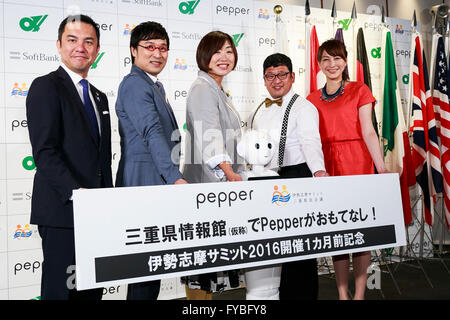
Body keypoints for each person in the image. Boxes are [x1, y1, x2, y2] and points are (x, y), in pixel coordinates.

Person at [26, 15, 112, 300]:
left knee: (91, 291)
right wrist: (78, 194)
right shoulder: (46, 86)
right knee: (61, 293)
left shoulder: (99, 96)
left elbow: (102, 160)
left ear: (96, 50)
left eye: (89, 42)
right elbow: (45, 152)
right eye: (72, 40)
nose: (81, 48)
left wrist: (105, 202)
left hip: (96, 213)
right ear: (59, 45)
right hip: (62, 211)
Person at [307, 39, 388, 300]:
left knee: (360, 233)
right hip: (327, 166)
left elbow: (368, 131)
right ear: (319, 64)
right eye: (326, 60)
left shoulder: (359, 90)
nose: (332, 64)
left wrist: (382, 169)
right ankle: (342, 293)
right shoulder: (310, 100)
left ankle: (360, 294)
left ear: (345, 61)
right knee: (337, 234)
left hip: (357, 163)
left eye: (337, 58)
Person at [115, 21, 187, 300]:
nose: (157, 53)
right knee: (144, 274)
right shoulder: (135, 84)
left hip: (153, 181)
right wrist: (173, 176)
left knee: (150, 272)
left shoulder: (153, 85)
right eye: (149, 46)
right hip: (143, 183)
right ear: (134, 50)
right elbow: (151, 131)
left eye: (163, 47)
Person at [249, 53, 328, 300]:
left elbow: (310, 141)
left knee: (301, 248)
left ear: (292, 77)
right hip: (268, 180)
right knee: (279, 244)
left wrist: (319, 171)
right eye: (270, 76)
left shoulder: (304, 107)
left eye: (282, 74)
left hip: (297, 176)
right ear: (264, 79)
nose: (276, 80)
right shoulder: (259, 109)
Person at [182, 30, 245, 299]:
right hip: (208, 185)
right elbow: (210, 135)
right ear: (204, 55)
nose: (223, 57)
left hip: (215, 186)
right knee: (202, 264)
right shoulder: (202, 88)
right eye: (217, 51)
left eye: (229, 51)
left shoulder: (215, 87)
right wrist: (231, 173)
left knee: (209, 264)